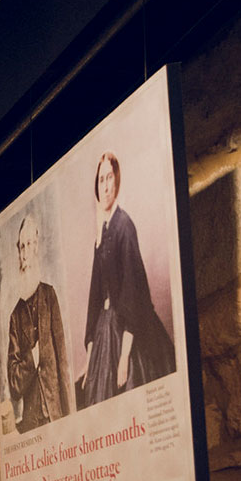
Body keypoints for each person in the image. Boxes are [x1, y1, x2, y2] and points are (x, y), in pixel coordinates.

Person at [82, 151, 175, 407]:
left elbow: (133, 293)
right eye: (101, 180)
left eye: (109, 178)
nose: (105, 186)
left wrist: (124, 359)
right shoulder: (102, 232)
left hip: (128, 332)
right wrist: (91, 357)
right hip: (105, 329)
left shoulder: (125, 226)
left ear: (117, 182)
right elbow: (94, 295)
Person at [5, 212, 72, 432]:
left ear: (36, 248)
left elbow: (62, 360)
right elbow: (14, 385)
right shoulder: (15, 316)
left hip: (57, 415)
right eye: (22, 246)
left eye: (30, 244)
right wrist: (30, 361)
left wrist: (71, 417)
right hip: (32, 425)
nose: (26, 252)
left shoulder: (49, 295)